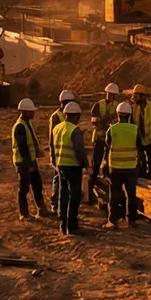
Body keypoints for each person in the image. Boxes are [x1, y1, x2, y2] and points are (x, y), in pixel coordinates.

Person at [52, 100, 88, 236]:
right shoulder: (75, 130)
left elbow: (52, 146)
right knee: (74, 197)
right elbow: (79, 150)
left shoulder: (57, 128)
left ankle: (63, 224)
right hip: (73, 167)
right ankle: (72, 226)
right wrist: (85, 165)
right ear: (76, 116)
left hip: (61, 166)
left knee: (63, 195)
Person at [104, 100, 142, 227]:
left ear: (117, 114)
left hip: (115, 168)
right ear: (129, 115)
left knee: (114, 195)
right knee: (131, 195)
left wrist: (104, 164)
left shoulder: (112, 129)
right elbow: (139, 148)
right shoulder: (135, 129)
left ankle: (112, 221)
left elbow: (107, 147)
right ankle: (131, 221)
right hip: (131, 168)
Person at [11, 98, 48, 220]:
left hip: (30, 161)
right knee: (24, 188)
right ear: (24, 111)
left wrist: (37, 153)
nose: (33, 113)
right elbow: (22, 147)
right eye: (31, 111)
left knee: (37, 185)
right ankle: (24, 213)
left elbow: (31, 141)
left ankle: (41, 209)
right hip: (23, 162)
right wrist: (29, 163)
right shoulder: (20, 126)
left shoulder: (27, 123)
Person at [87, 82, 120, 207]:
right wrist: (102, 121)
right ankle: (93, 182)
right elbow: (94, 121)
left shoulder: (116, 106)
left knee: (108, 160)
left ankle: (106, 178)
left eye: (113, 95)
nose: (111, 96)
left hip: (110, 136)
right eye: (110, 94)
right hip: (99, 137)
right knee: (96, 161)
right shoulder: (98, 105)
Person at [50, 89, 76, 207]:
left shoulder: (69, 114)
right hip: (58, 152)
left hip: (66, 153)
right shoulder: (56, 116)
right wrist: (52, 156)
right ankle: (55, 203)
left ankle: (61, 204)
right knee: (57, 178)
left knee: (62, 179)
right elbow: (52, 138)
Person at [130, 86, 151, 176]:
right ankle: (142, 172)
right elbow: (131, 123)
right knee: (140, 158)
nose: (134, 98)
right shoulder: (133, 108)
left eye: (137, 96)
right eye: (134, 96)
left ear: (143, 97)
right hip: (139, 137)